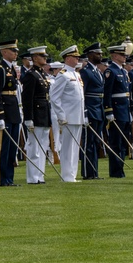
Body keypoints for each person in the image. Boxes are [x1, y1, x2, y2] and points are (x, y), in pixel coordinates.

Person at [50, 46, 85, 183]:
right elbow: (54, 97)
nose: (78, 59)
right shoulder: (63, 75)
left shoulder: (76, 74)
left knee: (75, 148)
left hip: (78, 116)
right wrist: (61, 116)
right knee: (67, 148)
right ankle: (66, 175)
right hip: (68, 117)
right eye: (75, 57)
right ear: (68, 58)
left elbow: (80, 97)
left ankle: (72, 175)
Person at [0, 39, 22, 186]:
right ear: (4, 52)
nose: (16, 53)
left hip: (13, 112)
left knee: (11, 149)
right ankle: (1, 179)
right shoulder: (0, 69)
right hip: (5, 113)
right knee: (3, 149)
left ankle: (9, 178)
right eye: (12, 50)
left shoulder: (11, 69)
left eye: (16, 51)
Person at [20, 46, 52, 184]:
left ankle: (40, 175)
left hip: (44, 114)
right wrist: (28, 118)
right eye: (42, 56)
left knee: (42, 147)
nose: (45, 58)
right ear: (34, 58)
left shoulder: (42, 74)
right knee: (34, 148)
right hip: (36, 116)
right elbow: (27, 98)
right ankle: (32, 177)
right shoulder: (31, 75)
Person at [102, 43, 132, 179]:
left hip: (124, 111)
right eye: (121, 55)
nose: (124, 57)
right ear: (114, 55)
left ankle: (121, 169)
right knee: (116, 142)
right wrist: (109, 111)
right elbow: (107, 93)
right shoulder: (111, 71)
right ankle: (115, 171)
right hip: (116, 111)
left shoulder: (123, 71)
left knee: (123, 143)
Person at [79, 43, 104, 180]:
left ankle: (94, 171)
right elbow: (82, 94)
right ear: (89, 55)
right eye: (97, 53)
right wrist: (85, 113)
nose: (100, 56)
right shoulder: (85, 72)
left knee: (95, 143)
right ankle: (87, 172)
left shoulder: (97, 72)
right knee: (88, 143)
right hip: (91, 110)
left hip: (98, 110)